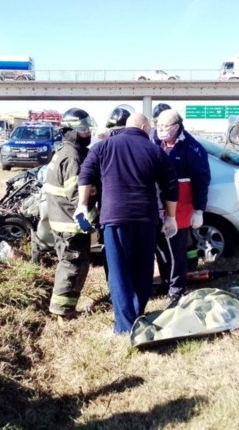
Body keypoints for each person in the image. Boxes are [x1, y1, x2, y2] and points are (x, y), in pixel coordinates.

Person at [77, 113, 179, 334]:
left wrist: (82, 205)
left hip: (114, 218)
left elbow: (85, 174)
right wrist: (170, 217)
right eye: (150, 128)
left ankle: (124, 325)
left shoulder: (104, 146)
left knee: (119, 270)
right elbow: (171, 186)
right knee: (142, 269)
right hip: (145, 218)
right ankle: (137, 315)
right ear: (143, 127)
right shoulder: (155, 150)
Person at [152, 109, 211, 306]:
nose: (160, 130)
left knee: (176, 250)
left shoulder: (192, 148)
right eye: (158, 125)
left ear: (176, 127)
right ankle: (166, 281)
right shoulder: (154, 141)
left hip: (180, 206)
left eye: (165, 127)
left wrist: (199, 209)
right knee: (161, 248)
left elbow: (202, 180)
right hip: (157, 204)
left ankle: (177, 288)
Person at [43, 108, 96, 320]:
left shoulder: (64, 151)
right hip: (70, 224)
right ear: (71, 131)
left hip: (61, 220)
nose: (87, 133)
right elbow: (77, 196)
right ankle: (63, 311)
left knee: (71, 263)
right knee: (72, 265)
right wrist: (94, 216)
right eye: (83, 130)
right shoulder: (73, 157)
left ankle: (65, 309)